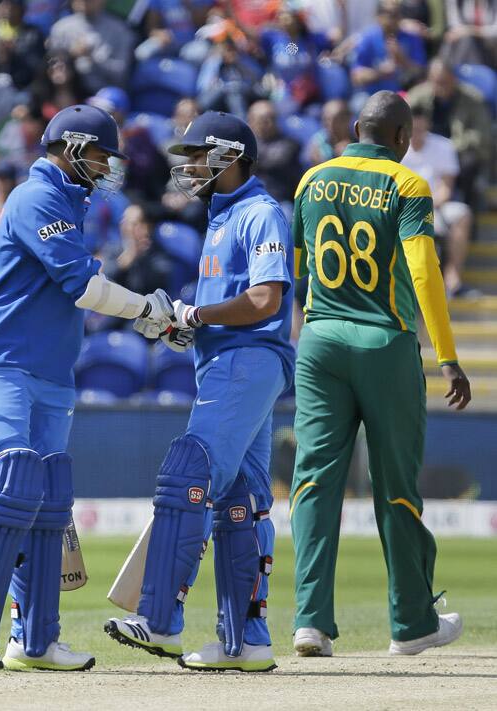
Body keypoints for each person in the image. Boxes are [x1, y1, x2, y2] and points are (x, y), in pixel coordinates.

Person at [0, 104, 175, 671]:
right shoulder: (36, 196)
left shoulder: (69, 202)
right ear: (71, 148)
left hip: (50, 368)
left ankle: (36, 638)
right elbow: (80, 285)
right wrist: (147, 308)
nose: (107, 165)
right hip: (3, 361)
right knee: (4, 493)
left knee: (46, 501)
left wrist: (145, 310)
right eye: (100, 153)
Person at [105, 111, 295, 672]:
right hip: (228, 362)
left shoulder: (259, 213)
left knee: (190, 473)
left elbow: (265, 300)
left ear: (229, 156)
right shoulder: (221, 215)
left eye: (196, 155)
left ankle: (159, 620)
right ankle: (247, 642)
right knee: (240, 502)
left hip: (247, 361)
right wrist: (186, 324)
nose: (187, 166)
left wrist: (197, 312)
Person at [289, 91, 471, 658]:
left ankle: (309, 622)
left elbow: (299, 269)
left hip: (318, 340)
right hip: (384, 343)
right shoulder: (408, 184)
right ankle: (411, 624)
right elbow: (424, 270)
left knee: (314, 481)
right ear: (400, 137)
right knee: (396, 489)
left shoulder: (311, 180)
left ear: (354, 128)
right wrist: (447, 354)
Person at [402, 107, 473, 296]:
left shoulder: (443, 145)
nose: (416, 132)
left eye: (420, 128)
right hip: (403, 209)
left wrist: (427, 206)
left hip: (436, 204)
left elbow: (446, 188)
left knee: (462, 214)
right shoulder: (397, 147)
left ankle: (453, 278)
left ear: (427, 125)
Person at [408, 58, 492, 207]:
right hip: (424, 146)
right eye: (436, 82)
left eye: (444, 81)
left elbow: (483, 134)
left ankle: (466, 207)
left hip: (458, 149)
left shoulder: (472, 99)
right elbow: (403, 122)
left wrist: (453, 146)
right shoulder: (417, 96)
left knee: (470, 163)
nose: (440, 87)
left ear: (454, 79)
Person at [351, 0, 426, 96]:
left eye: (397, 14)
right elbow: (356, 76)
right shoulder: (368, 38)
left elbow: (422, 73)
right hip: (372, 97)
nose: (393, 19)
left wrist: (403, 60)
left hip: (405, 96)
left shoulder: (412, 38)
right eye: (389, 14)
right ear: (378, 16)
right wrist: (380, 73)